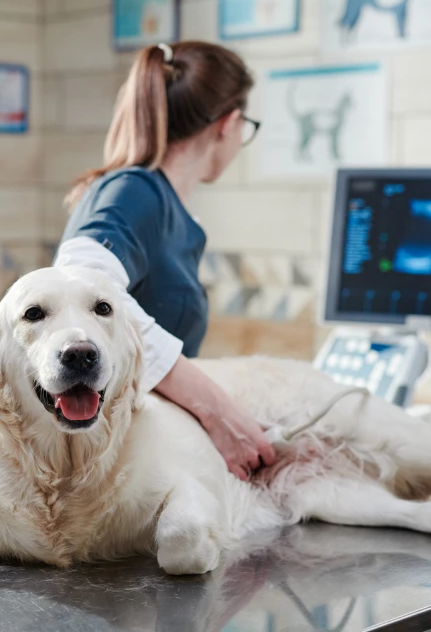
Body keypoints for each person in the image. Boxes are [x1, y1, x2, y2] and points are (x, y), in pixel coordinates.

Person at [54, 40, 275, 481]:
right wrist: (217, 410)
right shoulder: (136, 191)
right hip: (114, 470)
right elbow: (77, 284)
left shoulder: (163, 206)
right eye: (245, 126)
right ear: (228, 124)